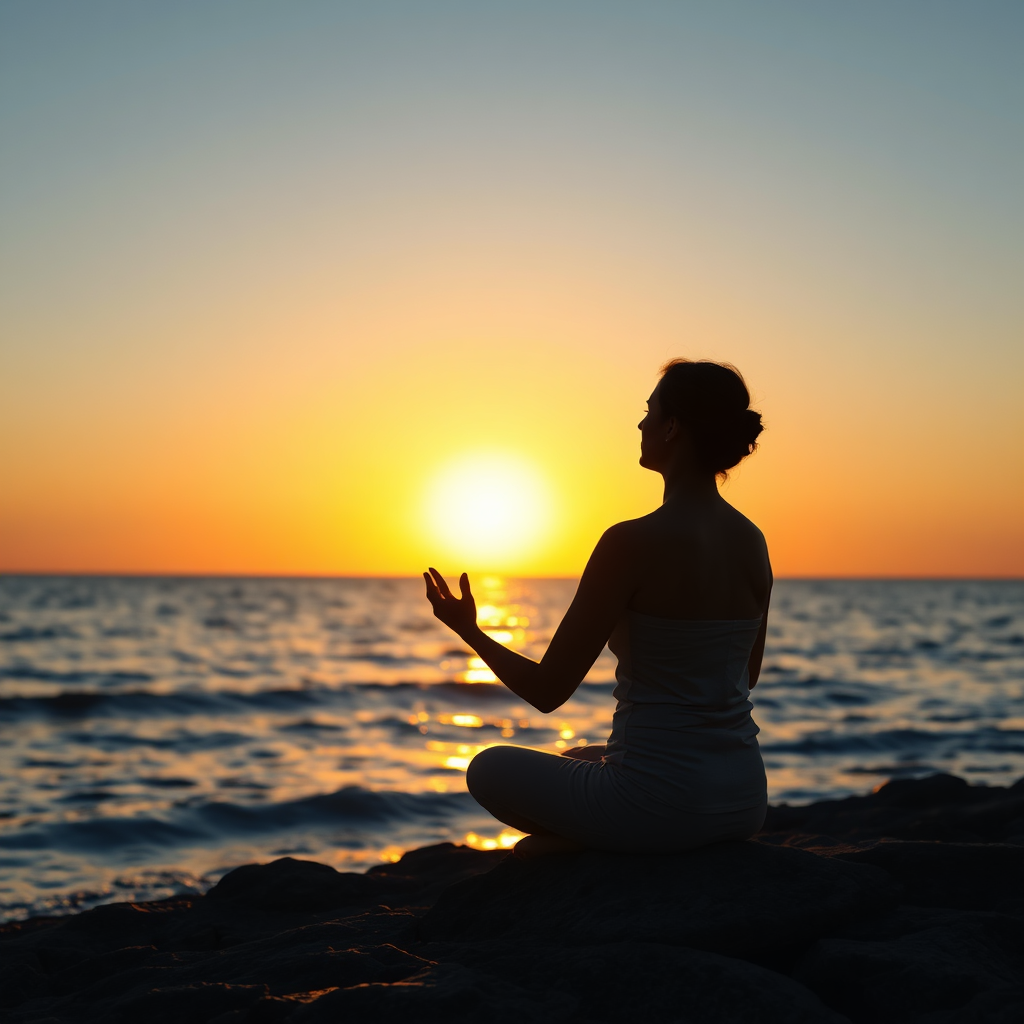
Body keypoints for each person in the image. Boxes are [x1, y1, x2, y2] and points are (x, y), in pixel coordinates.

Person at [423, 359, 771, 859]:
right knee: (574, 757)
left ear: (673, 427)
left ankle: (596, 849)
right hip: (742, 800)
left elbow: (548, 692)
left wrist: (470, 632)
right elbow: (748, 674)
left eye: (650, 411)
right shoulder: (752, 541)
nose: (641, 423)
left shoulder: (630, 542)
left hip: (661, 808)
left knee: (488, 768)